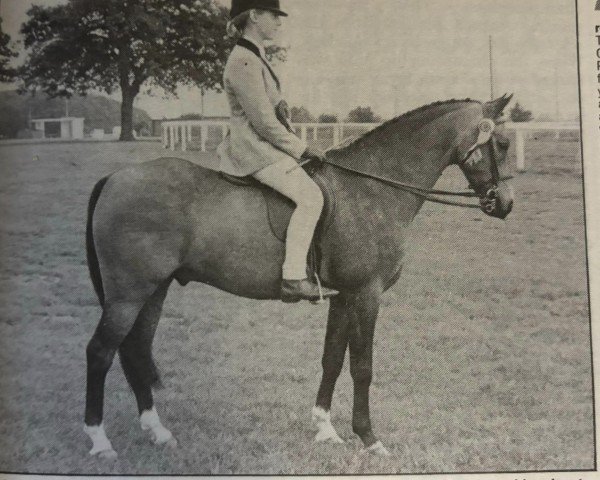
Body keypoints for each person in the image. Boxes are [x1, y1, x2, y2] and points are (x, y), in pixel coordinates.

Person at [217, 0, 339, 303]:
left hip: (264, 147)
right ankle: (293, 278)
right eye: (274, 15)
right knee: (312, 198)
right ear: (255, 16)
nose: (279, 22)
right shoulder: (244, 60)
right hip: (253, 150)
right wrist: (303, 147)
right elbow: (263, 122)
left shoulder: (254, 57)